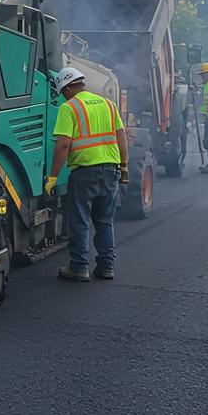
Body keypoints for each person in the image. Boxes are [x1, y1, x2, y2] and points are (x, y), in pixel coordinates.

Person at [46, 67, 130, 282]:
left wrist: (53, 176)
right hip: (110, 171)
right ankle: (106, 267)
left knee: (80, 221)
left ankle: (79, 268)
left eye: (62, 92)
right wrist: (124, 167)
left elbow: (63, 145)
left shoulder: (69, 107)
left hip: (85, 173)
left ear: (66, 88)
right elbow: (121, 137)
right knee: (104, 221)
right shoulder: (108, 105)